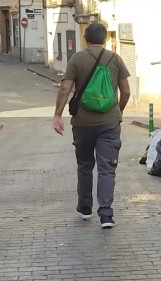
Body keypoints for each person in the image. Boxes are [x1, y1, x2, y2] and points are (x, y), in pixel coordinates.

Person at [52, 22, 131, 229]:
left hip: (83, 123)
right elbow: (126, 91)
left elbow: (65, 88)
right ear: (105, 39)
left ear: (85, 39)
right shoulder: (116, 59)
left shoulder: (77, 59)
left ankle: (85, 208)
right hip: (109, 123)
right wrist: (118, 112)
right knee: (107, 168)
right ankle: (106, 215)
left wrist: (57, 115)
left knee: (85, 165)